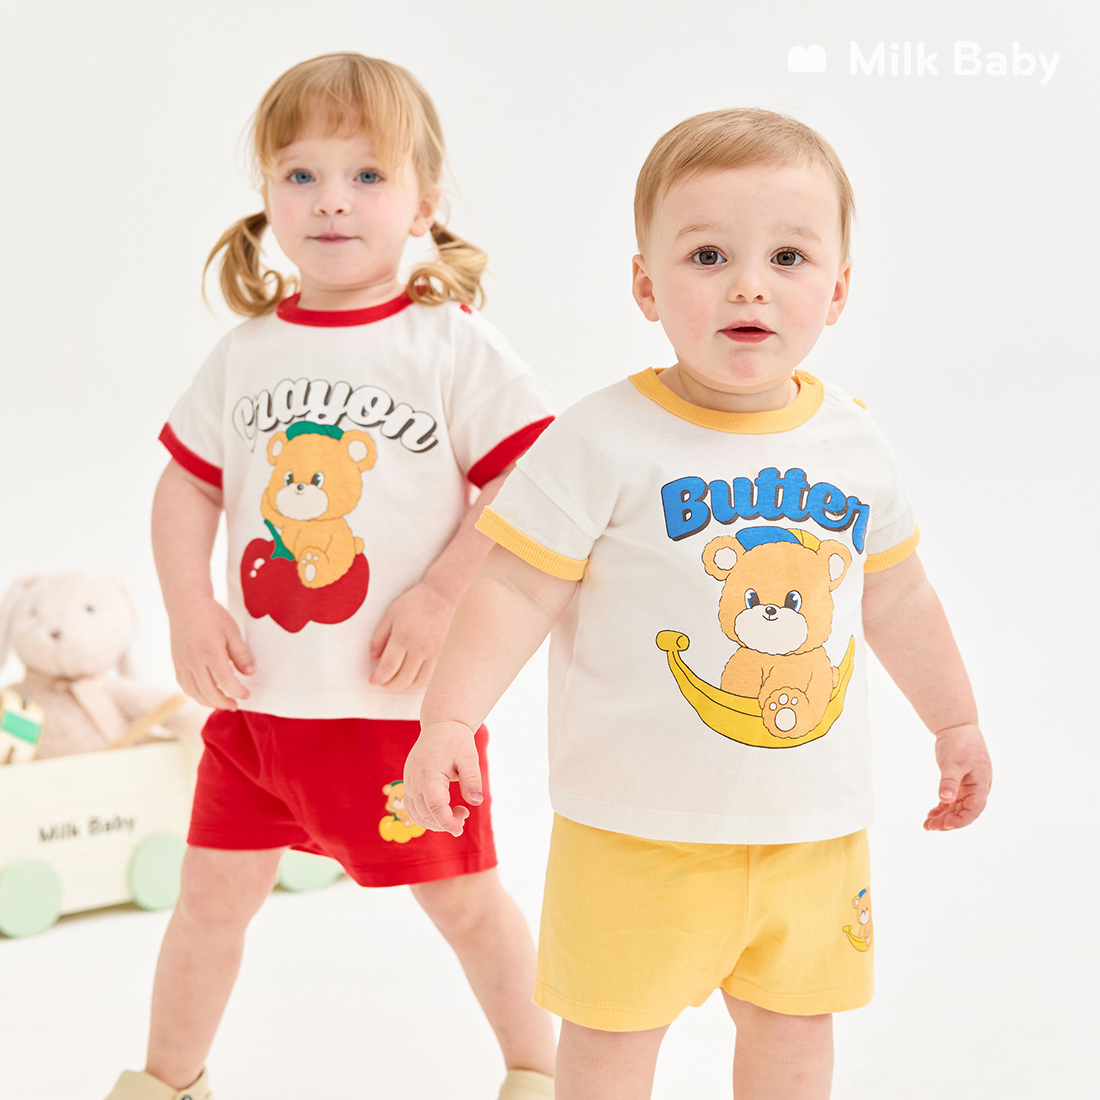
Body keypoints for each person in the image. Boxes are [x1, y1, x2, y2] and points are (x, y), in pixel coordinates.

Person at [403, 108, 993, 1100]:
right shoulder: (600, 438)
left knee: (795, 1035)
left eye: (788, 256)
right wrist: (449, 716)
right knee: (608, 1041)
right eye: (708, 255)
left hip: (807, 829)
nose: (748, 284)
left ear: (838, 289)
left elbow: (895, 593)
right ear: (644, 283)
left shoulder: (852, 442)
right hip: (632, 830)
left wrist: (955, 721)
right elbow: (512, 585)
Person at [105, 53, 556, 1100]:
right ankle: (167, 1079)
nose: (331, 201)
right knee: (207, 904)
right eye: (301, 174)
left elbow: (525, 482)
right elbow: (186, 487)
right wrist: (189, 607)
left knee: (465, 904)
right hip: (258, 716)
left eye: (366, 175)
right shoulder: (248, 351)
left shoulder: (449, 345)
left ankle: (542, 1069)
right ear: (267, 194)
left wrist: (442, 596)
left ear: (423, 203)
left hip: (400, 720)